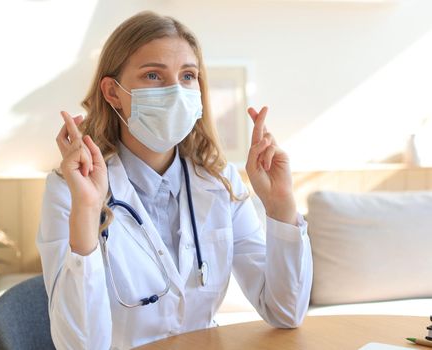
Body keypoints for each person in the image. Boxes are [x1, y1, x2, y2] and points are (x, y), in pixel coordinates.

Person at [36, 11, 313, 350]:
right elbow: (81, 346)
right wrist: (87, 211)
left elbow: (285, 311)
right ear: (112, 92)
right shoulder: (68, 189)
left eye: (187, 76)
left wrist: (280, 204)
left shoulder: (218, 180)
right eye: (153, 75)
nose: (175, 91)